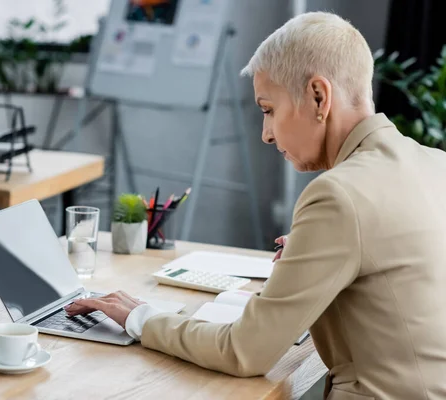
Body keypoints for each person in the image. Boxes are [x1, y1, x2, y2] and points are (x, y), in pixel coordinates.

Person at [65, 11, 446, 399]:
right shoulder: (436, 164)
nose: (266, 134)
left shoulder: (337, 194)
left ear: (319, 96)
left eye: (268, 110)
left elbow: (244, 352)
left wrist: (140, 317)